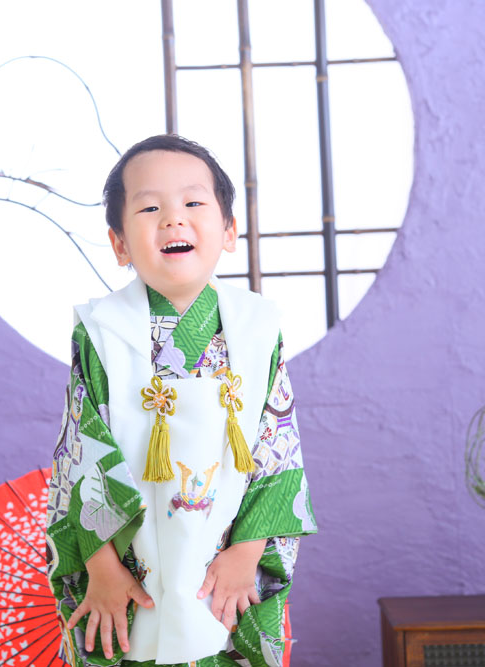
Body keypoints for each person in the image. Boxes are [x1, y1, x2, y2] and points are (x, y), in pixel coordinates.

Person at [46, 134, 317, 667]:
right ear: (120, 243)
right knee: (130, 645)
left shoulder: (258, 327)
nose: (173, 219)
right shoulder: (100, 330)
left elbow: (278, 445)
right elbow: (82, 451)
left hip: (227, 555)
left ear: (229, 230)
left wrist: (247, 553)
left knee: (219, 642)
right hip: (128, 561)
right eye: (149, 208)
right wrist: (102, 568)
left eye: (193, 202)